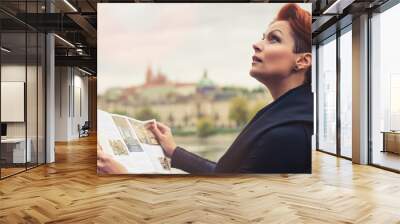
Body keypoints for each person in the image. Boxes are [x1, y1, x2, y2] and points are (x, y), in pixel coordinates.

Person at [98, 3, 313, 174]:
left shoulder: (285, 133)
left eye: (274, 39)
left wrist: (125, 176)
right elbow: (225, 174)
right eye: (263, 36)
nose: (257, 44)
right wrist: (173, 151)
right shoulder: (284, 116)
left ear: (302, 61)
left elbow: (228, 202)